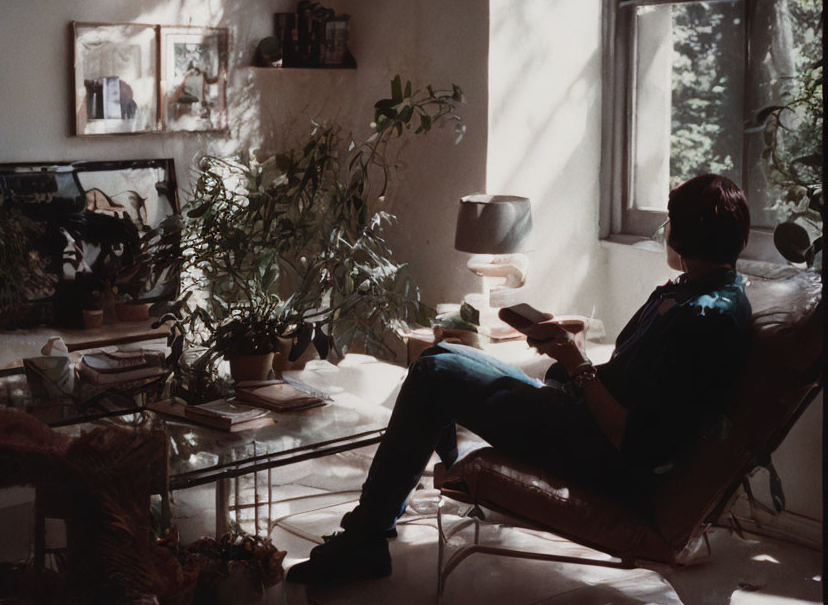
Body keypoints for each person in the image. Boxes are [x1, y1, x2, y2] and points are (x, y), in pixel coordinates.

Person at [286, 174, 753, 586]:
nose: (666, 233)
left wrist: (576, 364)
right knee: (443, 353)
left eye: (671, 222)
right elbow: (636, 382)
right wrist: (571, 356)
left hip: (597, 453)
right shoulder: (702, 293)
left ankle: (368, 536)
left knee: (434, 372)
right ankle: (418, 492)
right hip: (578, 417)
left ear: (689, 235)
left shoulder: (703, 319)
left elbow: (636, 443)